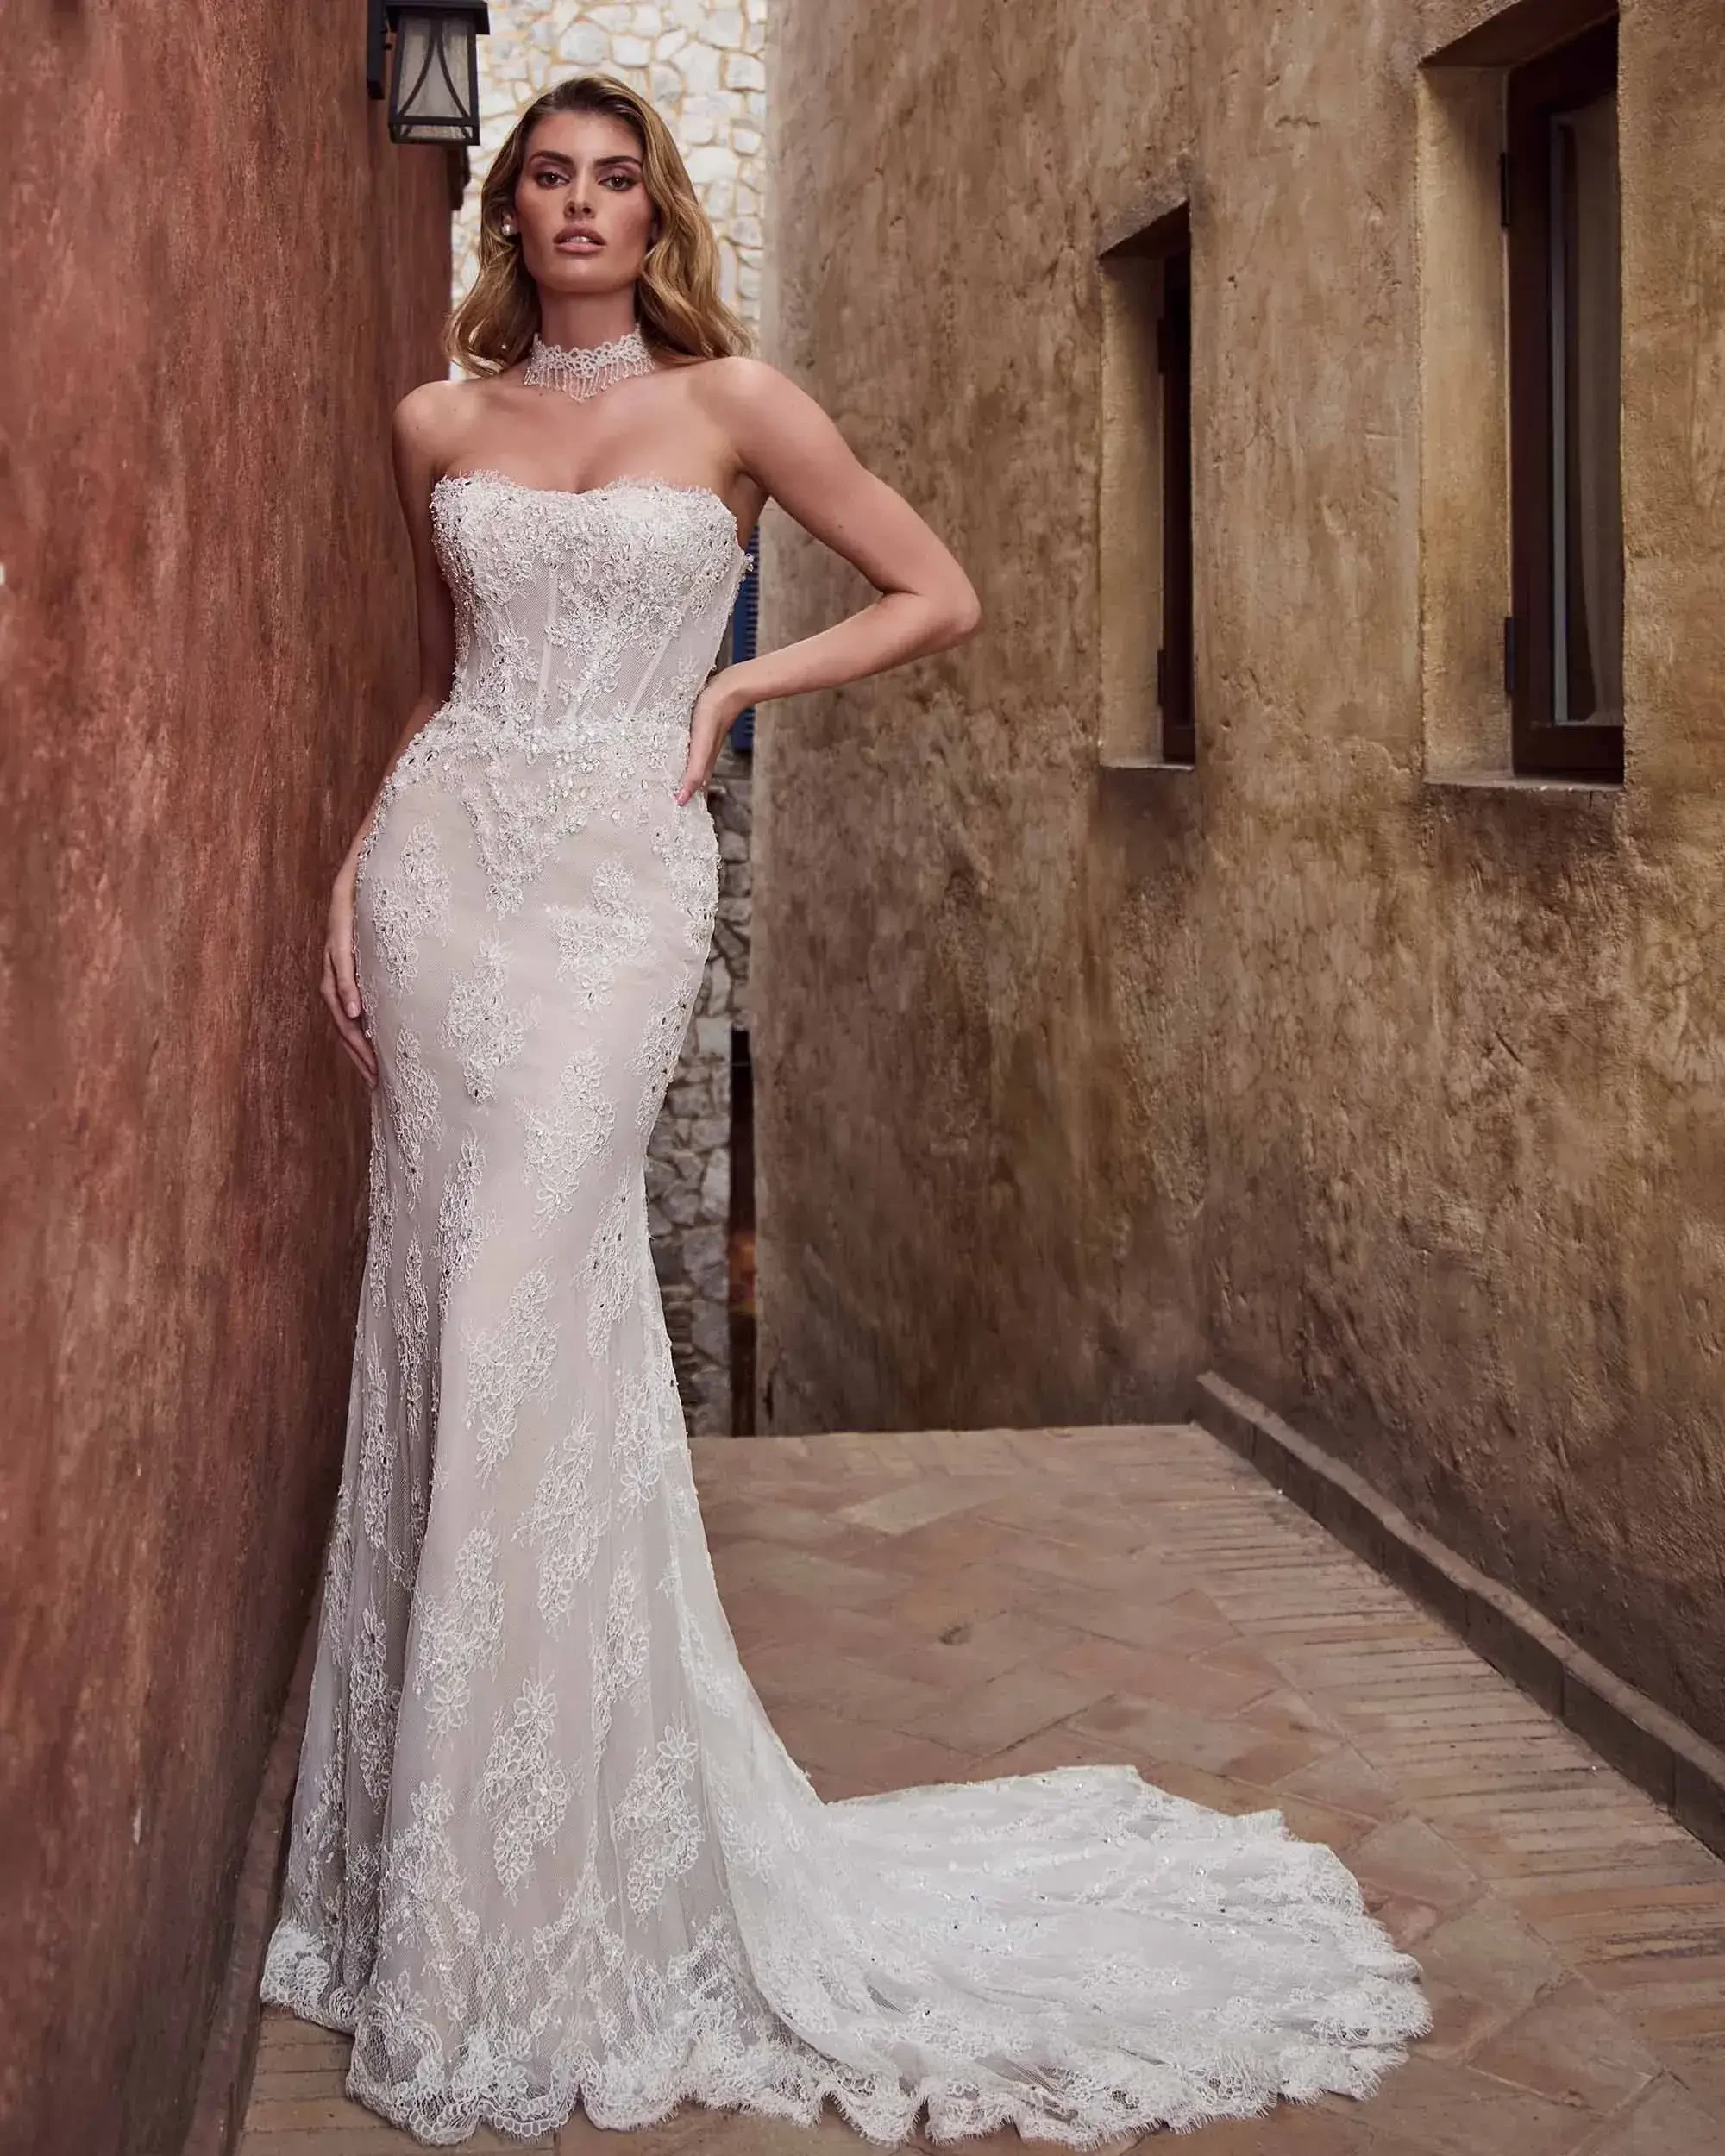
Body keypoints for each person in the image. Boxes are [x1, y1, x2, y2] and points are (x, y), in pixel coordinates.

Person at [262, 71, 1429, 2149]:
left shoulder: (741, 405)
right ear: (509, 212)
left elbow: (937, 590)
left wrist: (723, 688)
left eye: (618, 179)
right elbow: (437, 689)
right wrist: (359, 856)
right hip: (452, 875)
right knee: (450, 1318)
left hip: (621, 892)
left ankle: (559, 1872)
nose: (582, 208)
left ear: (658, 209)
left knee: (535, 1287)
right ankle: (444, 1878)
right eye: (549, 178)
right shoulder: (434, 421)